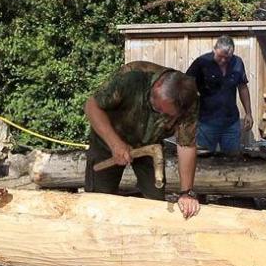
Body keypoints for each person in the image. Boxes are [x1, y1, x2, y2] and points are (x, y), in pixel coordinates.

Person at [84, 61, 202, 219]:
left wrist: (186, 193)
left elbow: (186, 145)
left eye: (166, 114)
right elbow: (92, 106)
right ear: (157, 86)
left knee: (155, 202)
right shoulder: (131, 78)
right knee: (98, 200)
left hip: (150, 146)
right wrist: (115, 144)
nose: (160, 114)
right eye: (158, 108)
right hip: (108, 139)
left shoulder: (189, 101)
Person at [186, 35, 253, 155]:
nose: (223, 60)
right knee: (204, 161)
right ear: (214, 50)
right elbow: (186, 85)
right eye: (220, 57)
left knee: (232, 161)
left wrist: (248, 113)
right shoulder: (202, 63)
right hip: (206, 123)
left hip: (231, 123)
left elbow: (242, 87)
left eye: (227, 58)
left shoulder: (237, 63)